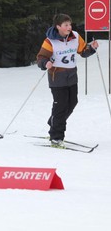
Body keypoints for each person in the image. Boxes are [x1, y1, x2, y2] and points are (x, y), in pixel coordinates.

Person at [37, 13, 98, 147]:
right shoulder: (50, 41)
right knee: (60, 106)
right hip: (57, 78)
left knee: (72, 102)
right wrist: (45, 63)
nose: (69, 27)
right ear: (58, 26)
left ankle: (54, 123)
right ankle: (56, 136)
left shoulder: (75, 36)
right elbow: (41, 57)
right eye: (66, 25)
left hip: (71, 77)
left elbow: (83, 51)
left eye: (70, 24)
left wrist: (91, 48)